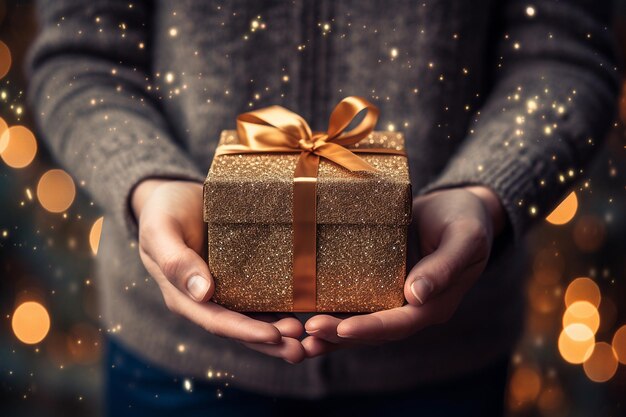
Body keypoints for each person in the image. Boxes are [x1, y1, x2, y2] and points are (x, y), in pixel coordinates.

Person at [27, 0, 618, 416]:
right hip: (176, 362)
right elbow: (79, 57)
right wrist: (147, 183)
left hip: (445, 359)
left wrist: (485, 195)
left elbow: (566, 55)